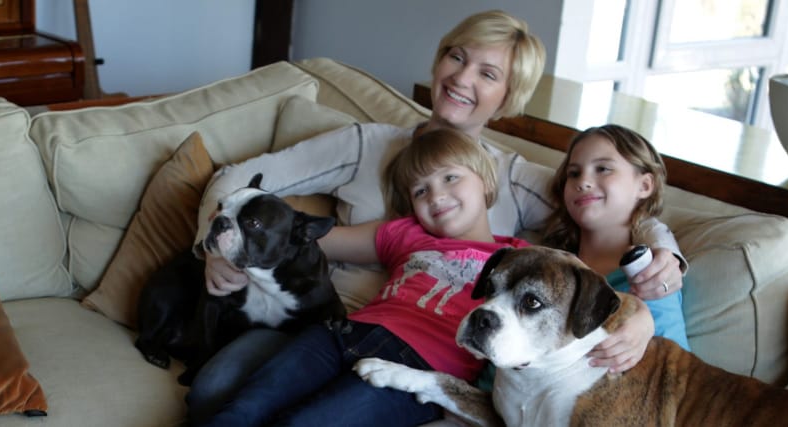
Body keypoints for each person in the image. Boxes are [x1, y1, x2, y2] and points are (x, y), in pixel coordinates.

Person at [185, 10, 686, 423]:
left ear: (508, 97)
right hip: (329, 322)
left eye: (487, 74)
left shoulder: (513, 180)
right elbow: (244, 184)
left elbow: (601, 205)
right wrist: (219, 251)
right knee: (213, 393)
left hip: (423, 351)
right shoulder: (369, 144)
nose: (462, 78)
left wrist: (656, 274)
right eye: (456, 57)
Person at [203, 129, 528, 426]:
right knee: (242, 412)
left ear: (485, 180)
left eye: (451, 177)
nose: (436, 195)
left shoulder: (522, 260)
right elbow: (296, 242)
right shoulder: (406, 233)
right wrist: (219, 254)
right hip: (341, 335)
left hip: (417, 371)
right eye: (420, 190)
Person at [543, 124, 689, 349]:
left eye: (603, 169)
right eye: (574, 173)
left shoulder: (653, 277)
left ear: (644, 185)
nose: (583, 181)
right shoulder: (551, 264)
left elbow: (672, 367)